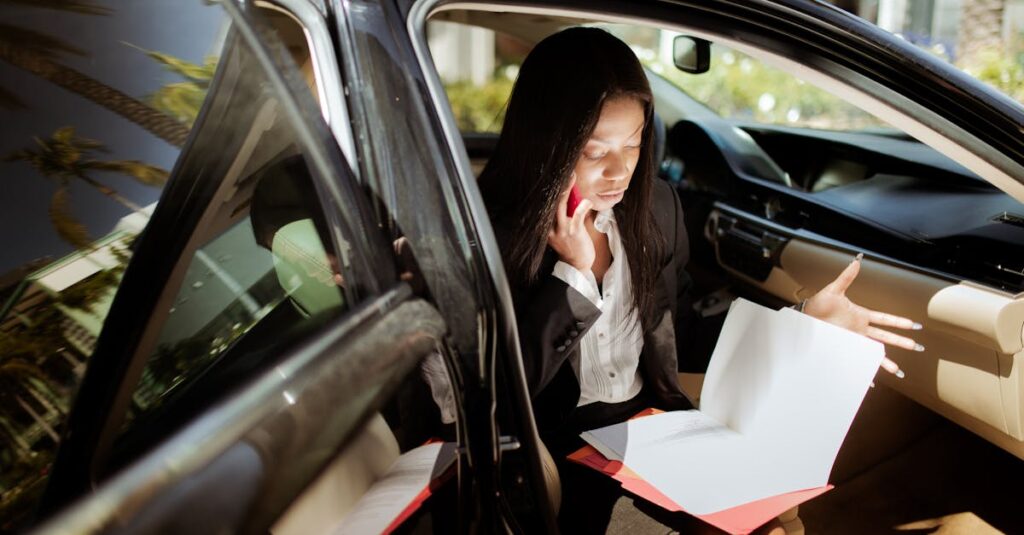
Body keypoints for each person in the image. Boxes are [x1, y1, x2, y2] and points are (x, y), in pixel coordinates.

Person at [477, 27, 922, 534]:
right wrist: (573, 277)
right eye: (595, 153)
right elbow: (495, 394)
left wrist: (803, 323)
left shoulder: (656, 210)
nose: (620, 172)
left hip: (655, 433)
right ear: (546, 146)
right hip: (554, 451)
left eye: (635, 144)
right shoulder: (489, 232)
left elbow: (680, 334)